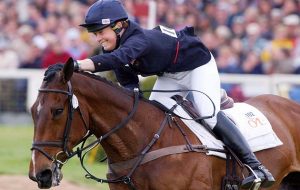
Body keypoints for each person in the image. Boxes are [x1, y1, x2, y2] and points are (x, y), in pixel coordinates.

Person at [75, 0, 275, 188]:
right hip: (170, 74)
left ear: (119, 26)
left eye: (101, 31)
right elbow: (129, 84)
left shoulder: (140, 39)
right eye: (95, 34)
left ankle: (256, 166)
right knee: (150, 115)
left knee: (209, 115)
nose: (98, 38)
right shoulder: (116, 47)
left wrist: (77, 65)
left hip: (197, 65)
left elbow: (117, 59)